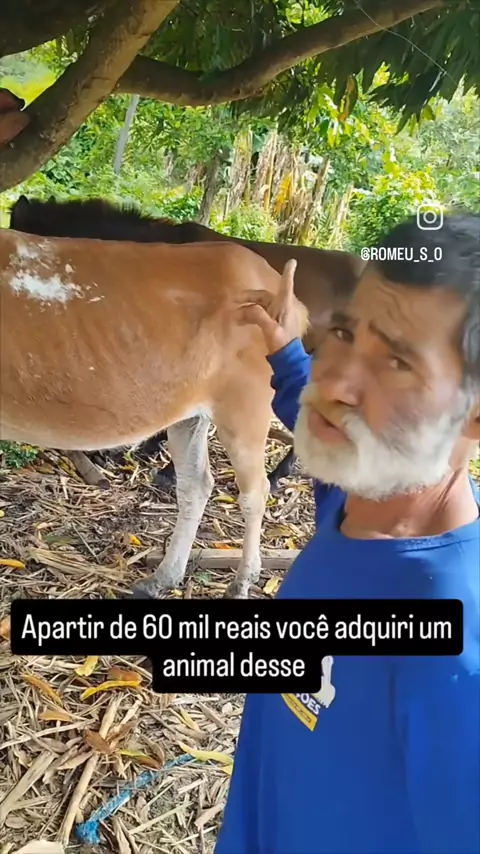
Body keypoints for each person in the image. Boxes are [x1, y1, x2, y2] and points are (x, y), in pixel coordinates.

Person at [215, 213, 480, 854]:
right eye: (343, 331)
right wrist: (286, 350)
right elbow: (315, 402)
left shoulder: (456, 655)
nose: (334, 382)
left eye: (397, 361)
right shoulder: (364, 494)